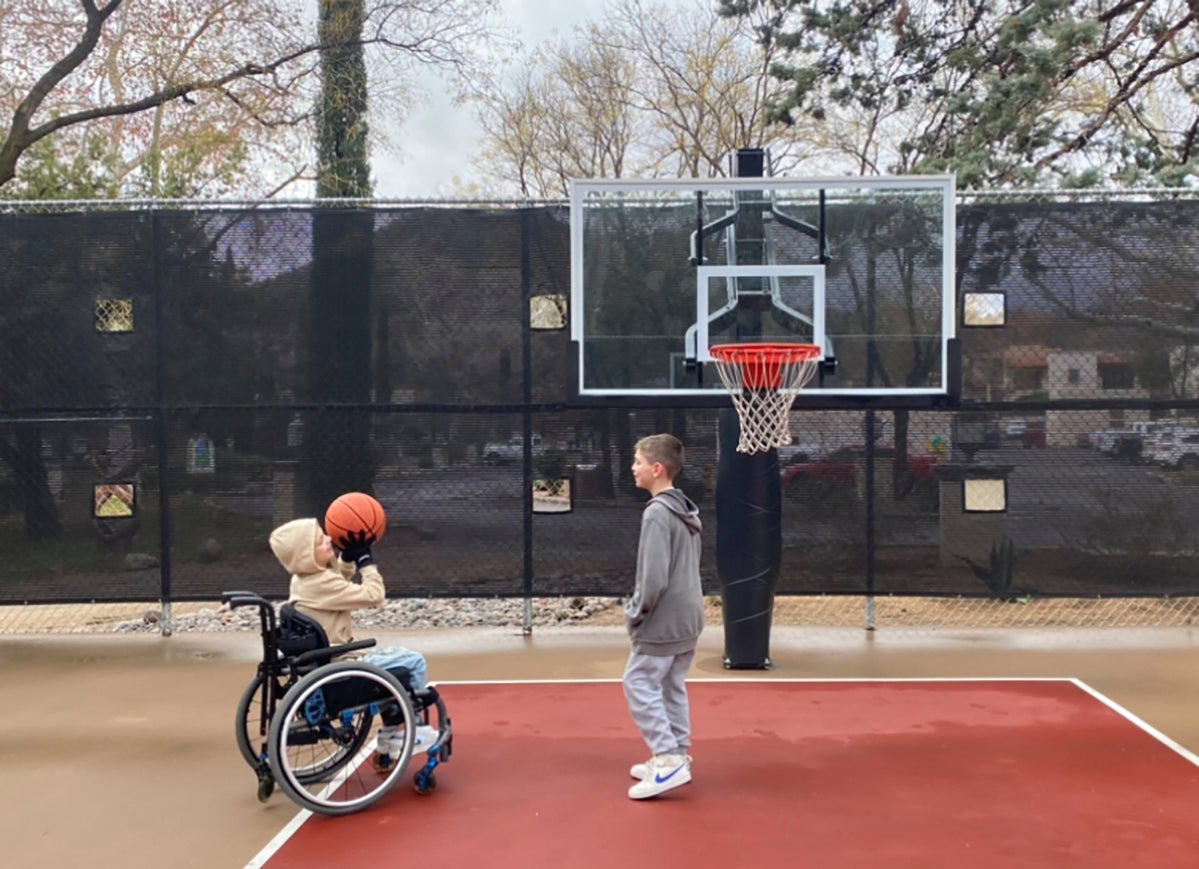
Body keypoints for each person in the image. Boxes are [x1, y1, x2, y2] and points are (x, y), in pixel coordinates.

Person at [268, 517, 436, 773]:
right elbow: (374, 595)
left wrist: (347, 556)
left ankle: (392, 729)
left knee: (394, 664)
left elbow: (338, 584)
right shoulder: (322, 584)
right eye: (320, 540)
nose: (328, 539)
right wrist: (366, 562)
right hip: (343, 669)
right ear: (306, 555)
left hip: (326, 667)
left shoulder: (303, 580)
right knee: (413, 662)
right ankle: (408, 729)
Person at [622, 433, 705, 800]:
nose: (633, 467)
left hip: (665, 617)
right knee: (671, 684)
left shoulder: (657, 513)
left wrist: (636, 612)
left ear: (657, 469)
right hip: (689, 613)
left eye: (638, 461)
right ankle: (677, 755)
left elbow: (653, 578)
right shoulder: (686, 510)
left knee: (638, 682)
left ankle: (668, 757)